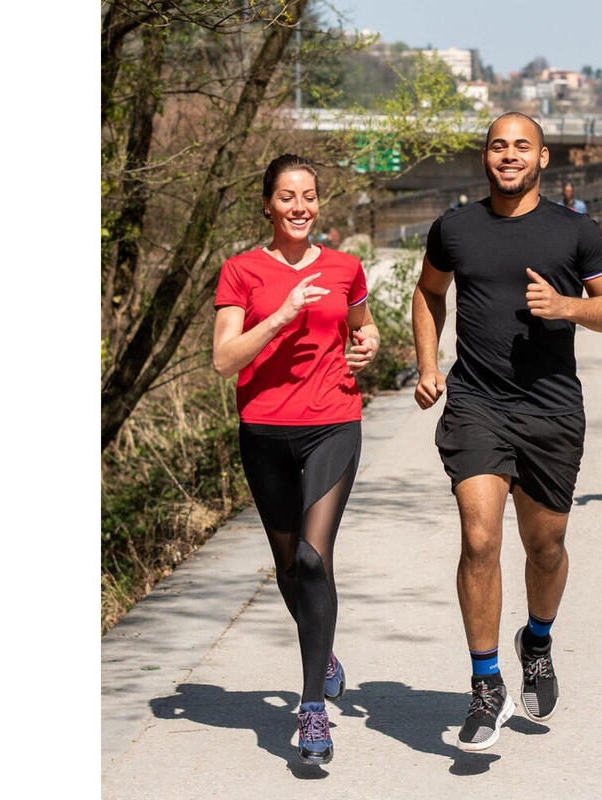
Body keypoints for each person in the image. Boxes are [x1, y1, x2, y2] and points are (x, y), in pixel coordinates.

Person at [412, 112, 602, 752]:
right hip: (476, 404)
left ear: (541, 160)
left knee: (546, 547)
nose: (509, 155)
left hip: (550, 409)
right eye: (498, 145)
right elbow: (428, 294)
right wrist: (429, 365)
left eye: (522, 147)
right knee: (479, 539)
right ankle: (485, 684)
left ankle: (536, 640)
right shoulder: (454, 227)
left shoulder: (575, 230)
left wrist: (567, 307)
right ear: (485, 157)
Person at [212, 154, 380, 765]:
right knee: (288, 568)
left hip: (332, 422)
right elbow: (225, 359)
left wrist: (367, 347)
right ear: (267, 203)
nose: (300, 207)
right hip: (262, 430)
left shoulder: (344, 267)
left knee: (313, 558)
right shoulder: (241, 271)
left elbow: (364, 327)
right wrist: (281, 315)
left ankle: (312, 709)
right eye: (287, 196)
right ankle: (324, 649)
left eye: (309, 195)